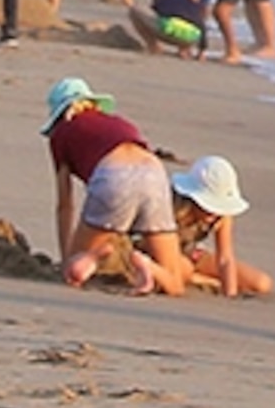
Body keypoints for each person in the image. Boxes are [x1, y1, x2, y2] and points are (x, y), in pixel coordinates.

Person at [43, 76, 190, 294]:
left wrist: (66, 258)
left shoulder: (62, 133)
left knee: (74, 269)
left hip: (114, 176)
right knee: (176, 283)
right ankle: (147, 266)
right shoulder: (119, 123)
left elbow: (65, 205)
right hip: (154, 173)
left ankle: (94, 257)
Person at [169, 155, 273, 298]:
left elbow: (225, 258)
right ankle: (195, 278)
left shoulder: (221, 215)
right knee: (184, 269)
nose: (213, 214)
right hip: (160, 252)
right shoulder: (173, 206)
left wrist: (230, 293)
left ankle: (197, 277)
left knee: (261, 283)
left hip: (192, 253)